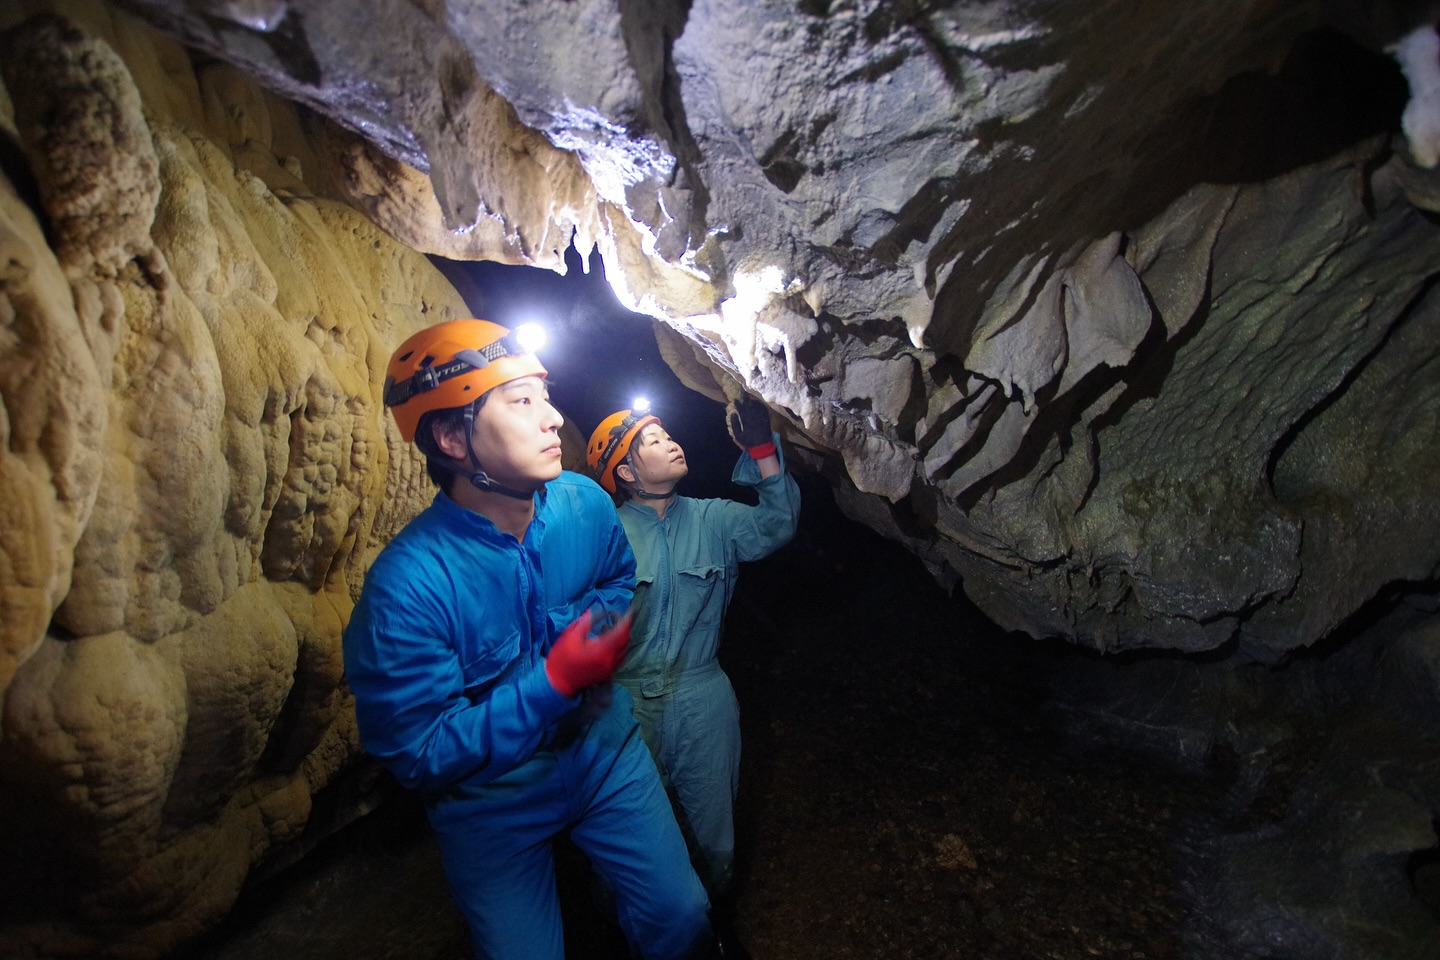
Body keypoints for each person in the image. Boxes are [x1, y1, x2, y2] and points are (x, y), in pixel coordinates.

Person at [342, 319, 715, 960]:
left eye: (544, 395)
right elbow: (418, 750)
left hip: (604, 752)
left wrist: (593, 637)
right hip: (491, 800)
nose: (553, 418)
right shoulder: (406, 590)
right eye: (521, 402)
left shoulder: (584, 505)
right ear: (452, 437)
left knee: (682, 915)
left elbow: (617, 579)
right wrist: (552, 686)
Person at [585, 392, 801, 951]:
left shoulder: (714, 519)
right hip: (623, 708)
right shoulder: (601, 537)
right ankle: (628, 937)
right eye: (652, 441)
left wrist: (760, 446)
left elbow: (778, 523)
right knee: (628, 843)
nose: (671, 441)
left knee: (714, 839)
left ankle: (710, 934)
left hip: (704, 697)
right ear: (628, 472)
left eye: (667, 433)